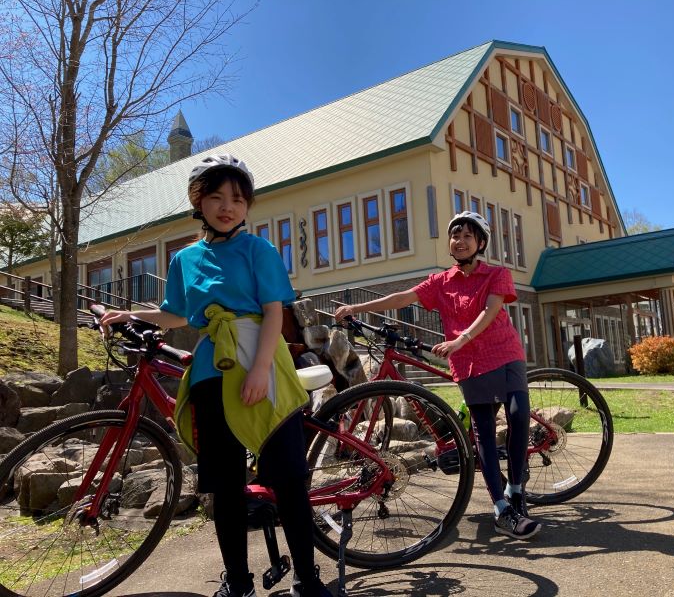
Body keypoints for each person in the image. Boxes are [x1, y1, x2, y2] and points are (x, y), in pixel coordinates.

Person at [101, 154, 332, 597]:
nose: (228, 206)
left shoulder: (258, 249)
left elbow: (272, 312)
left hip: (263, 361)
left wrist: (261, 369)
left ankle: (308, 577)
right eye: (217, 197)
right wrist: (129, 313)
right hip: (211, 370)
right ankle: (238, 582)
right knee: (224, 486)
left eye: (238, 199)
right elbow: (175, 315)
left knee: (287, 477)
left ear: (247, 207)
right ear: (198, 201)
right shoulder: (185, 259)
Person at [334, 211, 542, 540]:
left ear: (481, 243)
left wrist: (460, 339)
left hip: (504, 353)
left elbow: (491, 310)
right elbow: (402, 297)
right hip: (470, 363)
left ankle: (517, 489)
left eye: (467, 236)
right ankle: (502, 508)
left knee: (519, 417)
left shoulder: (497, 274)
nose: (459, 241)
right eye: (455, 235)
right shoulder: (440, 282)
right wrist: (355, 309)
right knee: (484, 434)